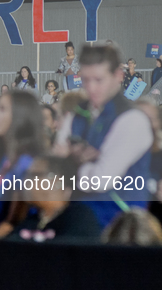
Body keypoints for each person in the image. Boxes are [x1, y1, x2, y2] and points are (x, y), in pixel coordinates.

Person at [54, 45, 153, 227]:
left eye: (99, 80)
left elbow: (100, 181)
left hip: (119, 228)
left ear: (118, 76)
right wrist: (84, 162)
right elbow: (52, 174)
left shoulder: (133, 120)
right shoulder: (77, 114)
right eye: (85, 79)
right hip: (76, 222)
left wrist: (71, 161)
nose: (91, 87)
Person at [0, 91, 45, 250]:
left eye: (2, 109)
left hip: (4, 246)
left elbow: (14, 220)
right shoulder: (2, 159)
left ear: (20, 117)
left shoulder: (28, 163)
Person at [9, 156, 101, 243]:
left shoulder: (79, 218)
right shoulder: (29, 222)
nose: (25, 181)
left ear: (57, 181)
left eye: (34, 175)